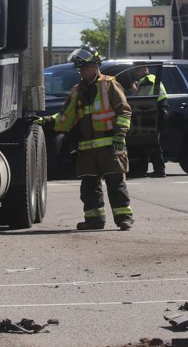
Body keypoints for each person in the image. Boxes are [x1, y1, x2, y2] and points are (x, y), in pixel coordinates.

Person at [36, 44, 134, 230]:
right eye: (79, 68)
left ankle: (124, 219)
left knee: (116, 184)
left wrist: (120, 135)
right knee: (89, 187)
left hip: (110, 146)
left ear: (95, 65)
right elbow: (65, 119)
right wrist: (46, 121)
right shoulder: (77, 91)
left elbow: (124, 111)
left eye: (85, 67)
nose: (81, 71)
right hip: (87, 150)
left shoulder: (109, 84)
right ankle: (94, 219)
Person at [130, 65, 168, 177]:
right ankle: (148, 169)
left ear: (143, 69)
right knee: (148, 142)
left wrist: (133, 87)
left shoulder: (148, 79)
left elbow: (142, 97)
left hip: (156, 113)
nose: (136, 73)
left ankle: (160, 170)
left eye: (137, 70)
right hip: (155, 112)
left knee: (153, 143)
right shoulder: (151, 79)